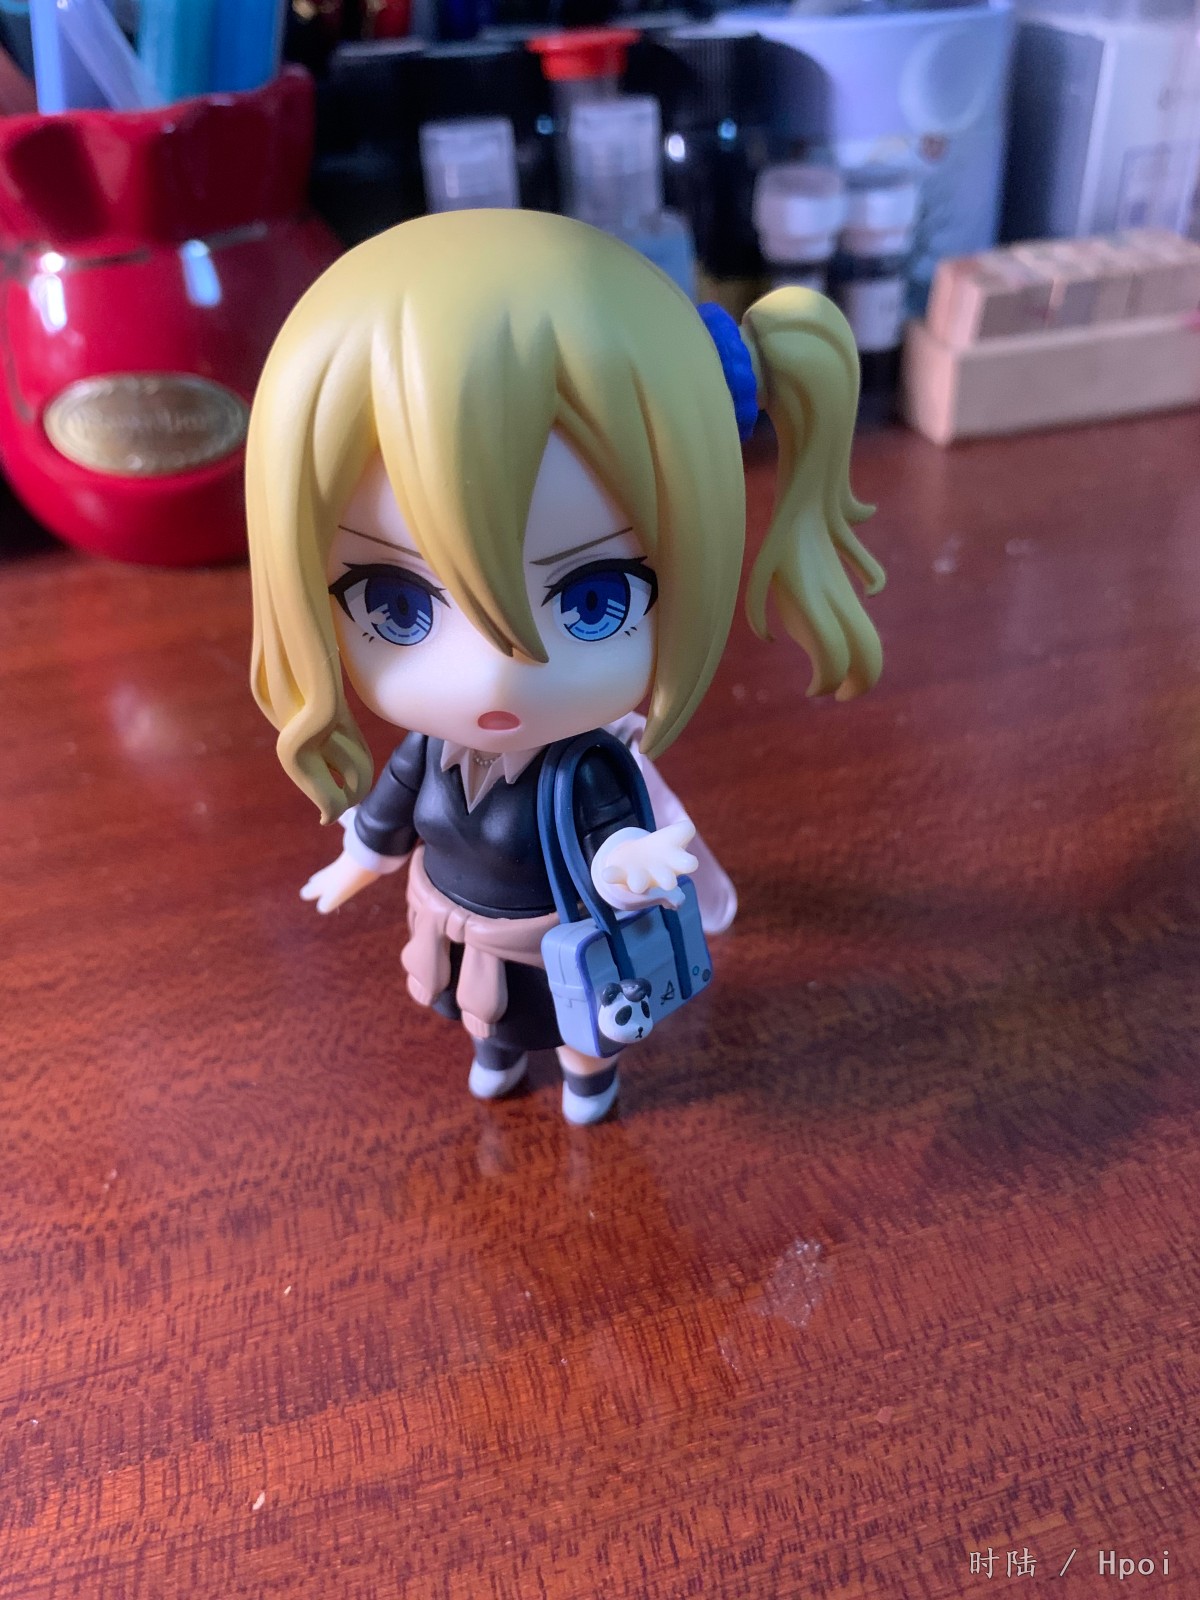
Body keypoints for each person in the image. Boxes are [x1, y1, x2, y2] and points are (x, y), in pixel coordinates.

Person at [246, 208, 884, 1124]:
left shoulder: (586, 767)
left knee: (578, 1019)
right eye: (397, 606)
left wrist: (632, 862)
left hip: (558, 939)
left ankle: (589, 1077)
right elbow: (388, 815)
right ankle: (497, 1058)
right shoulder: (430, 752)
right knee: (484, 1018)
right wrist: (358, 861)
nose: (495, 675)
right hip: (461, 933)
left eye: (594, 601)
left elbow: (612, 836)